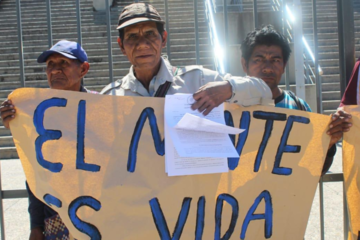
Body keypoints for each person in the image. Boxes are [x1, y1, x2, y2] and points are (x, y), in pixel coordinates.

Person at [100, 2, 274, 114]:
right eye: (132, 37)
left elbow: (264, 93)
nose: (142, 44)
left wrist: (229, 88)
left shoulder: (200, 80)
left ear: (164, 39)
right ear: (121, 46)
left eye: (150, 34)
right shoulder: (110, 98)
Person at [0, 40, 93, 240]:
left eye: (64, 63)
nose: (55, 70)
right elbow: (36, 173)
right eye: (51, 64)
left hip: (96, 216)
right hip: (55, 220)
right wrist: (36, 226)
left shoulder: (102, 109)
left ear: (83, 69)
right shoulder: (36, 113)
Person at [240, 25, 352, 174]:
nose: (267, 68)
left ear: (284, 66)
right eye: (259, 60)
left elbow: (314, 171)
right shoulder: (228, 108)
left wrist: (328, 145)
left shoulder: (299, 108)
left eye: (275, 60)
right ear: (244, 64)